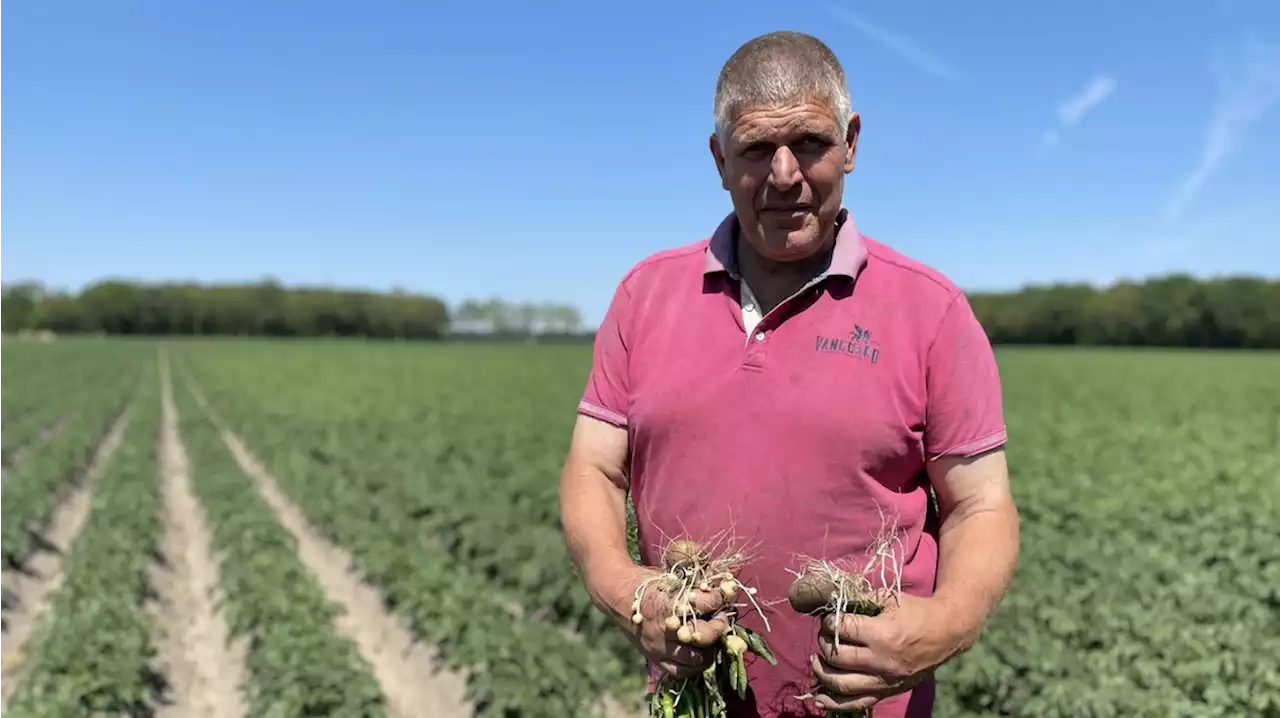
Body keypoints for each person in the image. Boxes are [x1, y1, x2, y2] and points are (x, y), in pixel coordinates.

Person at [558, 30, 1020, 718]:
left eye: (809, 142)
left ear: (851, 143)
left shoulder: (932, 311)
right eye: (754, 150)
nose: (783, 175)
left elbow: (981, 506)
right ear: (719, 158)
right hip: (696, 702)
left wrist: (947, 623)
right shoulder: (645, 295)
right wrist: (625, 590)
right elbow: (593, 468)